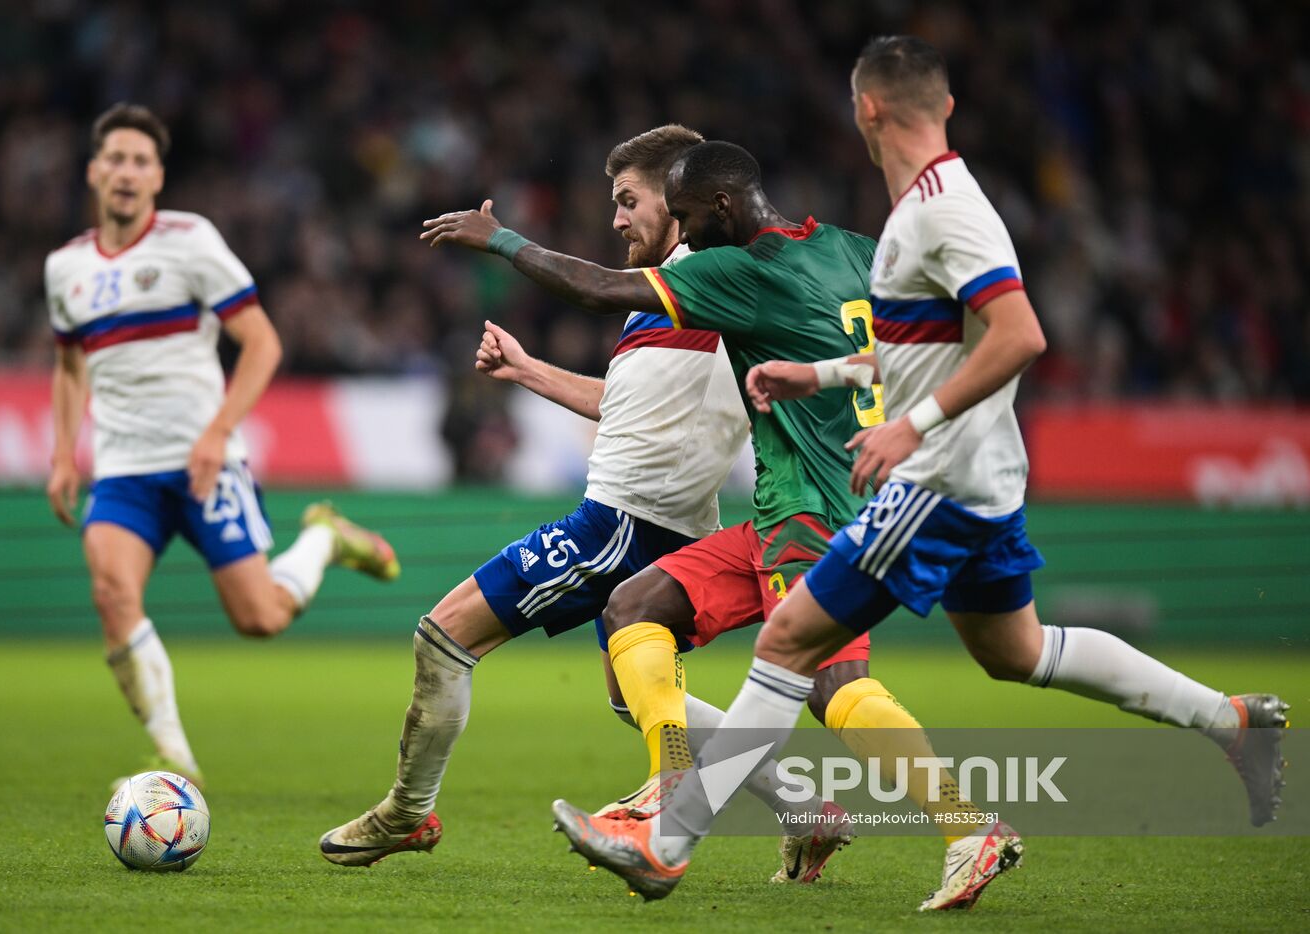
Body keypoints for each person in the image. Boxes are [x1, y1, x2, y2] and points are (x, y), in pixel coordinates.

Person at [550, 35, 1290, 910]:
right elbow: (913, 352)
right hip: (978, 479)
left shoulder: (938, 214)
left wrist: (914, 428)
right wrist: (819, 375)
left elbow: (1018, 337)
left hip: (931, 482)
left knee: (801, 656)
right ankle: (1227, 721)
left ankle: (672, 844)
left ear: (869, 110)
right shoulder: (902, 221)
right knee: (1018, 652)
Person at [420, 139, 998, 871]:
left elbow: (596, 287)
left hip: (816, 517)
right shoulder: (853, 249)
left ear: (720, 206)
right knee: (632, 607)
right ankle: (678, 786)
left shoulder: (739, 272)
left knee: (836, 690)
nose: (685, 237)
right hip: (793, 513)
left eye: (685, 217)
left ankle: (967, 825)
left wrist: (499, 240)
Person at [319, 125, 854, 884]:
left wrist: (500, 238)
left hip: (626, 522)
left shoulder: (716, 273)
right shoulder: (676, 292)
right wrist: (530, 370)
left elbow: (590, 285)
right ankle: (805, 807)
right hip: (657, 523)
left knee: (444, 636)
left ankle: (409, 812)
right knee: (631, 694)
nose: (617, 218)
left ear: (681, 202)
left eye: (629, 201)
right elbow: (630, 404)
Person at [45, 103, 399, 788]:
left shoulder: (190, 242)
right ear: (94, 172)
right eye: (114, 158)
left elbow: (263, 342)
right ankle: (176, 758)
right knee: (112, 593)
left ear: (157, 177)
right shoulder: (66, 268)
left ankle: (324, 538)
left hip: (205, 463)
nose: (126, 171)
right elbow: (68, 365)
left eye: (140, 161)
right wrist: (64, 451)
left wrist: (215, 433)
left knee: (259, 617)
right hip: (122, 470)